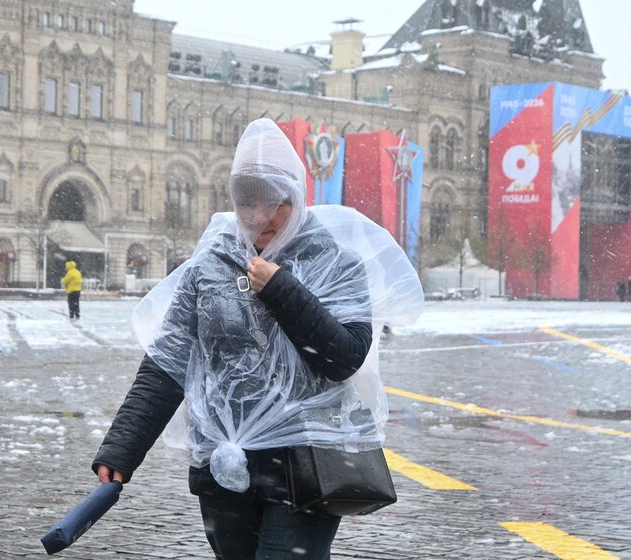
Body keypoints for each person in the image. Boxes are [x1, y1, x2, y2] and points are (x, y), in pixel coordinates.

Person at [91, 119, 423, 559]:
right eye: (247, 203)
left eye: (273, 203)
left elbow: (344, 358)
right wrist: (122, 449)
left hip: (308, 465)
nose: (258, 217)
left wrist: (282, 289)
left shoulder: (336, 264)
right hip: (225, 467)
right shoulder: (209, 268)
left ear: (297, 198)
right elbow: (167, 364)